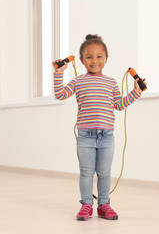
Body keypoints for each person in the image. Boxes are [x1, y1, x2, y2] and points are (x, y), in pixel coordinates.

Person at [52, 34, 146, 221]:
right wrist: (59, 73)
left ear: (106, 59)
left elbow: (119, 105)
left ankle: (104, 205)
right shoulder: (78, 81)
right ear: (81, 60)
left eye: (99, 56)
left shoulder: (111, 82)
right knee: (86, 172)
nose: (94, 61)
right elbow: (60, 95)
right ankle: (86, 205)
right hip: (86, 136)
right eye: (89, 57)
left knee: (104, 172)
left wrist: (136, 91)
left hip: (106, 136)